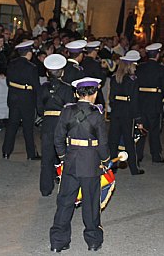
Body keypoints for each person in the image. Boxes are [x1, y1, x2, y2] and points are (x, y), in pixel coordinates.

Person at [50, 77, 109, 253]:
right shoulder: (96, 114)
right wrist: (106, 161)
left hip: (70, 161)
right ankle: (93, 241)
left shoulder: (66, 111)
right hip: (90, 164)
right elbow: (103, 143)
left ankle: (57, 242)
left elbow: (58, 138)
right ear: (95, 94)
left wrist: (62, 156)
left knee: (65, 203)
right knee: (91, 204)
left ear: (77, 93)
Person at [37, 54, 75, 196]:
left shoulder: (42, 88)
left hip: (47, 124)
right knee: (64, 156)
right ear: (63, 72)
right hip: (62, 124)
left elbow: (39, 108)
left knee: (46, 157)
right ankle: (65, 186)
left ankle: (45, 188)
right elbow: (71, 109)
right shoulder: (67, 89)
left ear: (47, 73)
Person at [2, 40, 41, 160]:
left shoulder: (12, 64)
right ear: (28, 53)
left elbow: (8, 81)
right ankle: (31, 153)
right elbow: (36, 86)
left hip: (13, 97)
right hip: (27, 99)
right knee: (28, 127)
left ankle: (6, 151)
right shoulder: (32, 67)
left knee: (12, 126)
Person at [108, 50, 144, 175]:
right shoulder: (133, 80)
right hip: (128, 113)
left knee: (113, 141)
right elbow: (135, 101)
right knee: (129, 141)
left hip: (116, 111)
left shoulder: (114, 78)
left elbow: (111, 98)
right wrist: (138, 118)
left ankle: (112, 167)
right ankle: (134, 168)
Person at [136, 42, 164, 163]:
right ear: (157, 55)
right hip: (155, 102)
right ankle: (156, 155)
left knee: (140, 129)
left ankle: (138, 154)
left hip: (141, 102)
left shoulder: (140, 67)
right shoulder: (161, 69)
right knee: (155, 131)